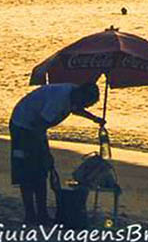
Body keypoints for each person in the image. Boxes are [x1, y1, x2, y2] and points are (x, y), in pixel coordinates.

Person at [9, 82, 105, 225]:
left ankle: (41, 213)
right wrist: (45, 152)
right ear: (80, 94)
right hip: (23, 127)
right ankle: (31, 215)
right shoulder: (58, 100)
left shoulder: (73, 94)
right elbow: (38, 127)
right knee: (28, 171)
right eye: (85, 103)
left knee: (41, 171)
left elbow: (75, 108)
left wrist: (94, 118)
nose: (84, 107)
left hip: (37, 128)